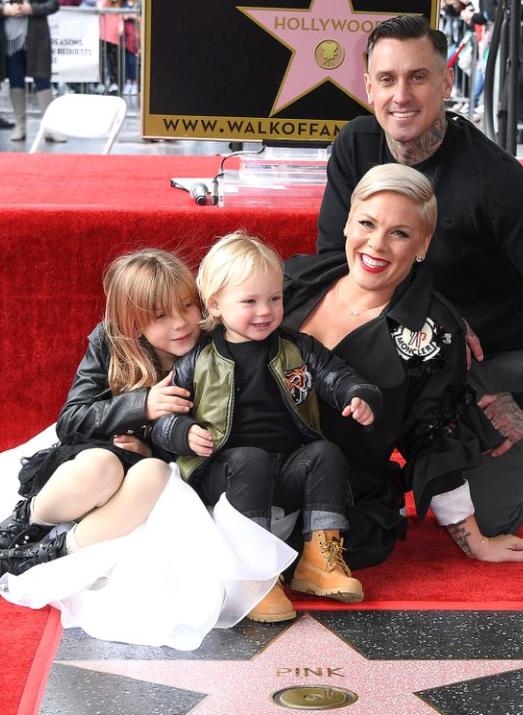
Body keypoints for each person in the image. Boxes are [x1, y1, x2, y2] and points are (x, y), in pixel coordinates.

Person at [0, 248, 296, 648]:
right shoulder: (111, 342)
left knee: (150, 473)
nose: (182, 323)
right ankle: (20, 528)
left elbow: (223, 428)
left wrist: (154, 445)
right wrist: (141, 404)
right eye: (162, 316)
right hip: (93, 459)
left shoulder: (215, 346)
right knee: (102, 465)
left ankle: (46, 554)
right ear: (132, 323)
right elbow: (73, 419)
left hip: (160, 470)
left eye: (188, 307)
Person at [317, 16, 523, 547]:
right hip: (415, 345)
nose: (401, 95)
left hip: (495, 359)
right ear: (368, 86)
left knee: (490, 521)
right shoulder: (355, 146)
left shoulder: (494, 177)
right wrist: (436, 315)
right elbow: (333, 259)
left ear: (447, 83)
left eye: (418, 78)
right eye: (386, 79)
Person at [287, 163, 523, 568]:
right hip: (256, 465)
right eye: (367, 223)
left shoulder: (434, 333)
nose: (377, 244)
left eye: (400, 233)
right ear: (347, 224)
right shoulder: (293, 279)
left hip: (343, 493)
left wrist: (473, 539)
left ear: (423, 246)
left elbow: (432, 437)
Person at [151, 233, 381, 623]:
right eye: (250, 301)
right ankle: (255, 576)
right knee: (249, 459)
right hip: (224, 476)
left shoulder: (297, 347)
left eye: (274, 298)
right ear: (216, 305)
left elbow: (334, 375)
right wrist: (182, 432)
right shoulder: (199, 358)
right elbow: (162, 420)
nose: (265, 311)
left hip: (286, 473)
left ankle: (318, 561)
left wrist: (357, 394)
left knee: (325, 453)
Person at [0, 0, 60, 142]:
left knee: (42, 79)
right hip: (8, 40)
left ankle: (50, 128)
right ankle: (20, 126)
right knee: (15, 80)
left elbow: (53, 4)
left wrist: (31, 9)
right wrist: (4, 9)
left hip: (35, 37)